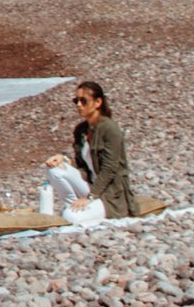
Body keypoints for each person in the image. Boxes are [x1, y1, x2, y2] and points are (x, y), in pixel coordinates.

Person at [36, 78, 142, 223]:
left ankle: (75, 211)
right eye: (76, 101)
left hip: (108, 194)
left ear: (98, 102)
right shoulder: (80, 130)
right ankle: (72, 205)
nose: (79, 105)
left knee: (69, 216)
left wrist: (90, 197)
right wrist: (65, 160)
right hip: (89, 186)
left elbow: (110, 168)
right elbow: (83, 167)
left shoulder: (110, 129)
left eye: (83, 101)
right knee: (53, 169)